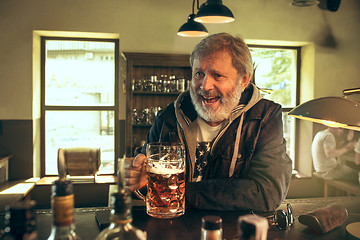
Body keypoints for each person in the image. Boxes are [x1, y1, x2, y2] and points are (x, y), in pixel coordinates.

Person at [125, 33, 292, 212]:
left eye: (217, 75)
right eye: (199, 74)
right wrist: (136, 179)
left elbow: (267, 193)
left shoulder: (264, 117)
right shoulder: (168, 117)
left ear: (243, 80)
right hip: (175, 229)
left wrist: (180, 191)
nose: (205, 86)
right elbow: (144, 182)